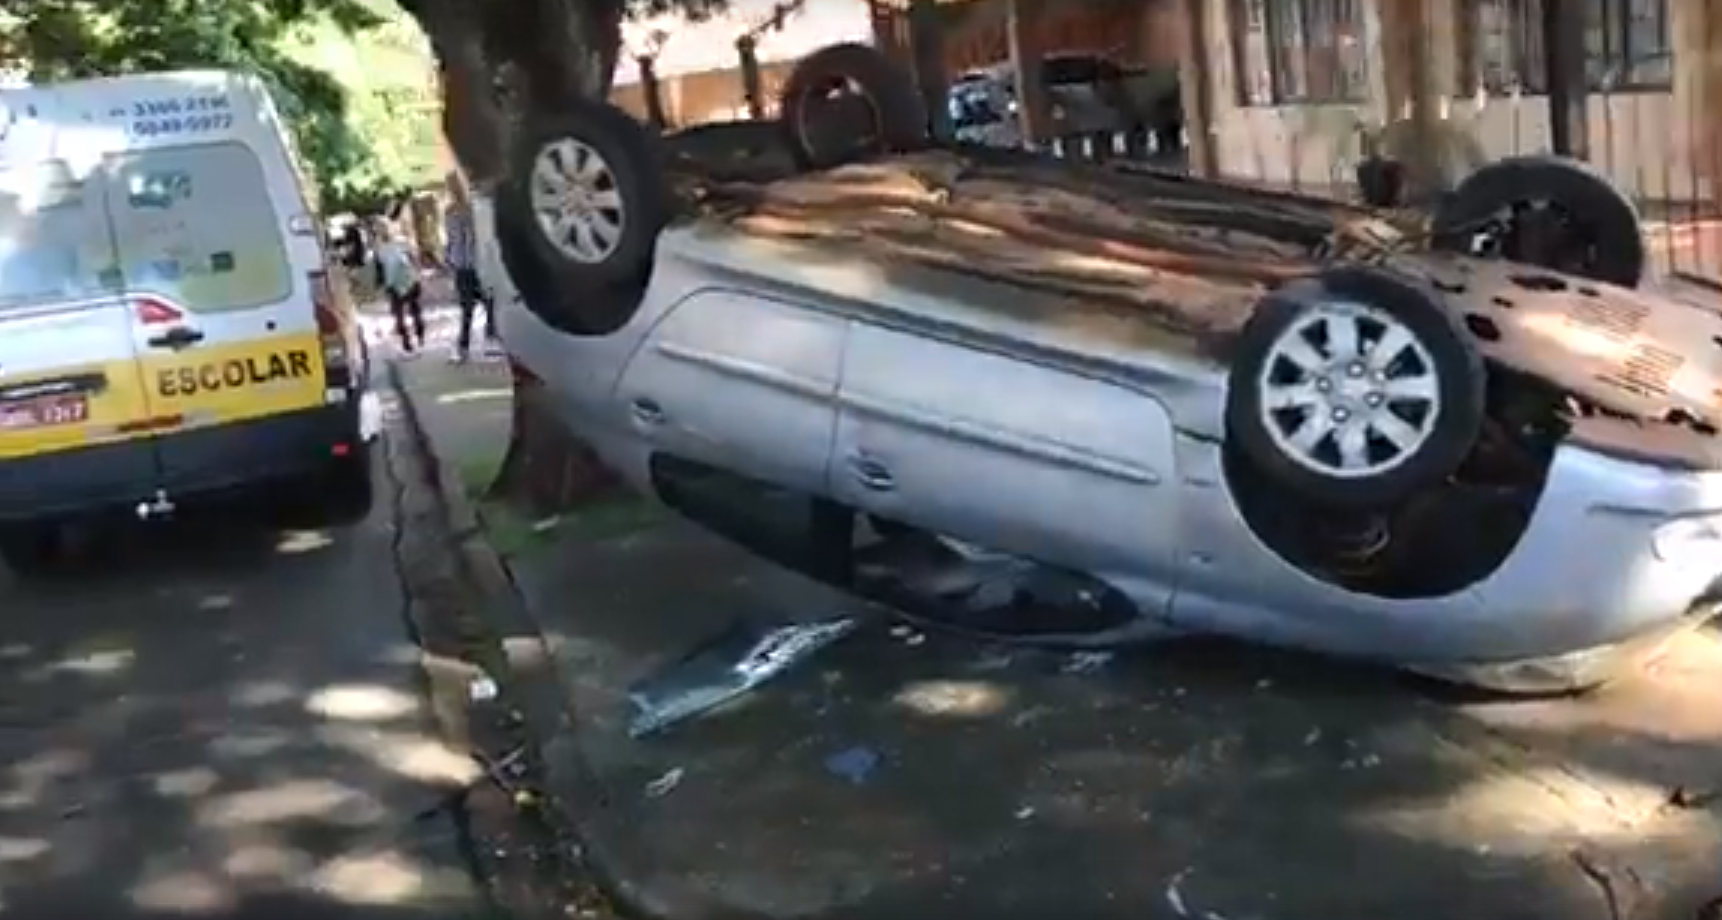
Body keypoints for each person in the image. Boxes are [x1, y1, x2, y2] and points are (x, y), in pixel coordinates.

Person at [442, 173, 496, 363]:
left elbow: (451, 240)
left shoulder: (450, 212)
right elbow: (483, 236)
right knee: (488, 302)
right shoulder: (474, 208)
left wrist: (449, 259)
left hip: (462, 264)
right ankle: (490, 340)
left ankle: (464, 347)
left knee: (468, 308)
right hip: (477, 262)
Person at [374, 221, 425, 354]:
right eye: (380, 230)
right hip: (400, 282)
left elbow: (413, 259)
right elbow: (380, 269)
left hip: (404, 281)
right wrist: (381, 286)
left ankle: (415, 338)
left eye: (383, 229)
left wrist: (418, 275)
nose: (382, 232)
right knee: (404, 314)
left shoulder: (397, 243)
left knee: (409, 312)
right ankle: (410, 340)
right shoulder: (382, 248)